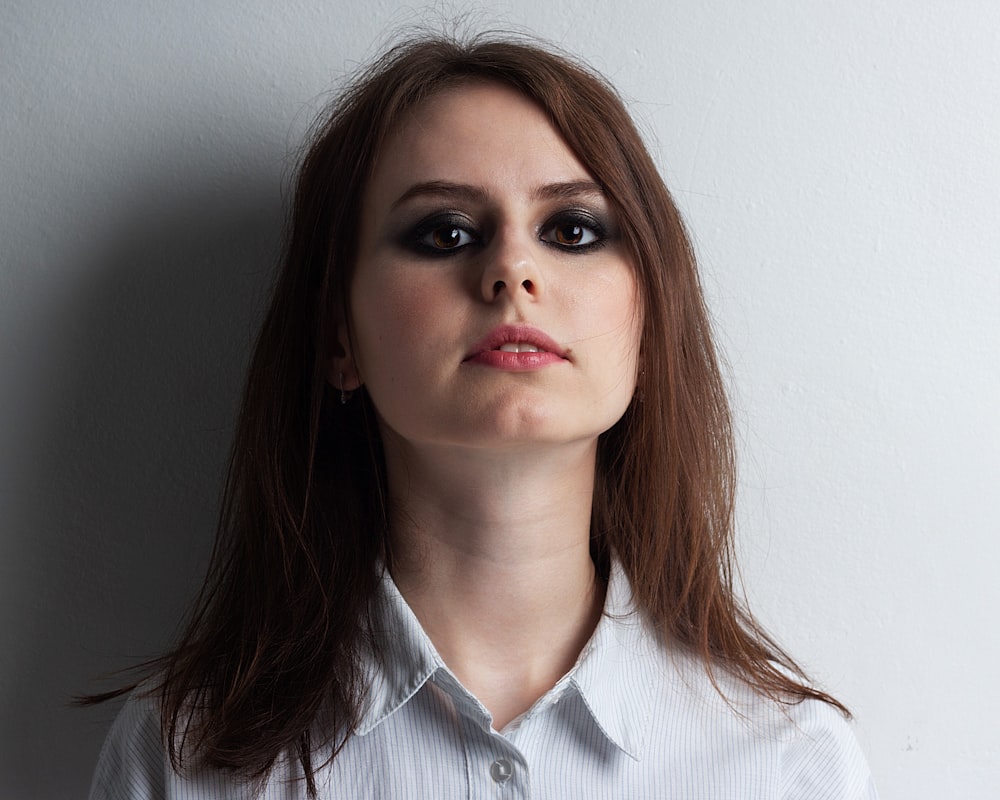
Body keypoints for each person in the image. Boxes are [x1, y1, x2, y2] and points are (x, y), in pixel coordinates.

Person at [87, 33, 878, 799]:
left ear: (649, 319)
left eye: (572, 230)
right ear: (339, 337)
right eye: (447, 232)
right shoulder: (179, 759)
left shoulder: (785, 765)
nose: (512, 270)